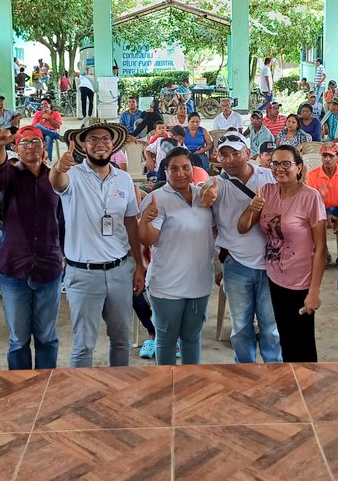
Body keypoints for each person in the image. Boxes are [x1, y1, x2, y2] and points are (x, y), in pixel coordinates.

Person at [50, 123, 144, 367]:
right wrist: (58, 168)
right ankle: (80, 401)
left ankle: (118, 393)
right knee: (83, 345)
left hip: (119, 271)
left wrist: (139, 265)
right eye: (93, 139)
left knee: (121, 340)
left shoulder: (123, 179)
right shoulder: (72, 175)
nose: (100, 143)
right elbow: (57, 181)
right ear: (83, 145)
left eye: (105, 139)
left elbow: (131, 222)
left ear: (113, 145)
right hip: (83, 274)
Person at [238, 144, 326, 362]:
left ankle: (306, 388)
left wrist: (314, 291)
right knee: (285, 339)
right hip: (274, 278)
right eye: (275, 163)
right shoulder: (266, 191)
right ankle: (291, 385)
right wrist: (252, 207)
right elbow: (242, 227)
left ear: (299, 168)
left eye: (286, 163)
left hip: (300, 282)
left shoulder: (311, 197)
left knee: (303, 344)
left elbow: (321, 247)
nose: (280, 168)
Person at [0, 125, 65, 369]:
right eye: (24, 143)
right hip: (14, 269)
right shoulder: (9, 175)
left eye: (36, 141)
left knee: (47, 338)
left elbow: (62, 219)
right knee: (19, 340)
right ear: (16, 149)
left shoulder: (55, 178)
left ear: (44, 148)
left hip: (48, 268)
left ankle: (46, 387)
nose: (31, 146)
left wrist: (63, 254)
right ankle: (20, 392)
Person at [138, 147, 216, 365]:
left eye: (185, 167)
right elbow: (148, 239)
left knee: (192, 338)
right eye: (174, 169)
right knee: (167, 339)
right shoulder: (157, 199)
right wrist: (145, 220)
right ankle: (167, 388)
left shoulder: (204, 196)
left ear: (193, 168)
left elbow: (216, 230)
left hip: (199, 283)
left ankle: (189, 388)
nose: (181, 173)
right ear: (165, 171)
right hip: (167, 285)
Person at [210, 133, 279, 363]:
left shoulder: (270, 177)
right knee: (240, 327)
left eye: (235, 154)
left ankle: (274, 370)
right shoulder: (217, 185)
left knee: (271, 327)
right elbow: (207, 224)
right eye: (224, 155)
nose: (229, 160)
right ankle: (244, 373)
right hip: (236, 265)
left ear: (248, 154)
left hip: (272, 265)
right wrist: (217, 263)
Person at [306, 143, 338, 242]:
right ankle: (321, 251)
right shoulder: (312, 175)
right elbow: (311, 202)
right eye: (324, 156)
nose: (327, 159)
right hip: (320, 209)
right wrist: (324, 213)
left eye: (331, 156)